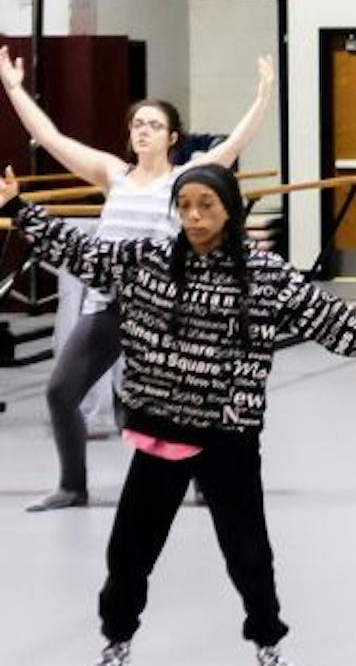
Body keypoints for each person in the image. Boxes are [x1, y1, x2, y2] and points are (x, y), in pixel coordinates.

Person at [0, 161, 356, 666]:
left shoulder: (263, 274)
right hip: (163, 428)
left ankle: (270, 648)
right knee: (128, 553)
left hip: (228, 434)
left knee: (249, 552)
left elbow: (328, 316)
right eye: (184, 206)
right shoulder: (148, 260)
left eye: (205, 206)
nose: (193, 216)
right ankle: (115, 645)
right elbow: (78, 250)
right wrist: (15, 208)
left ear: (229, 209)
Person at [0, 46, 277, 511]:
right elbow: (47, 136)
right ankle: (73, 485)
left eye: (153, 125)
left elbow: (234, 146)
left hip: (166, 311)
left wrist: (265, 94)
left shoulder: (188, 177)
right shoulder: (114, 174)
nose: (143, 130)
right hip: (111, 308)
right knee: (61, 391)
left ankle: (205, 483)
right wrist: (12, 87)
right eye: (137, 124)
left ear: (173, 138)